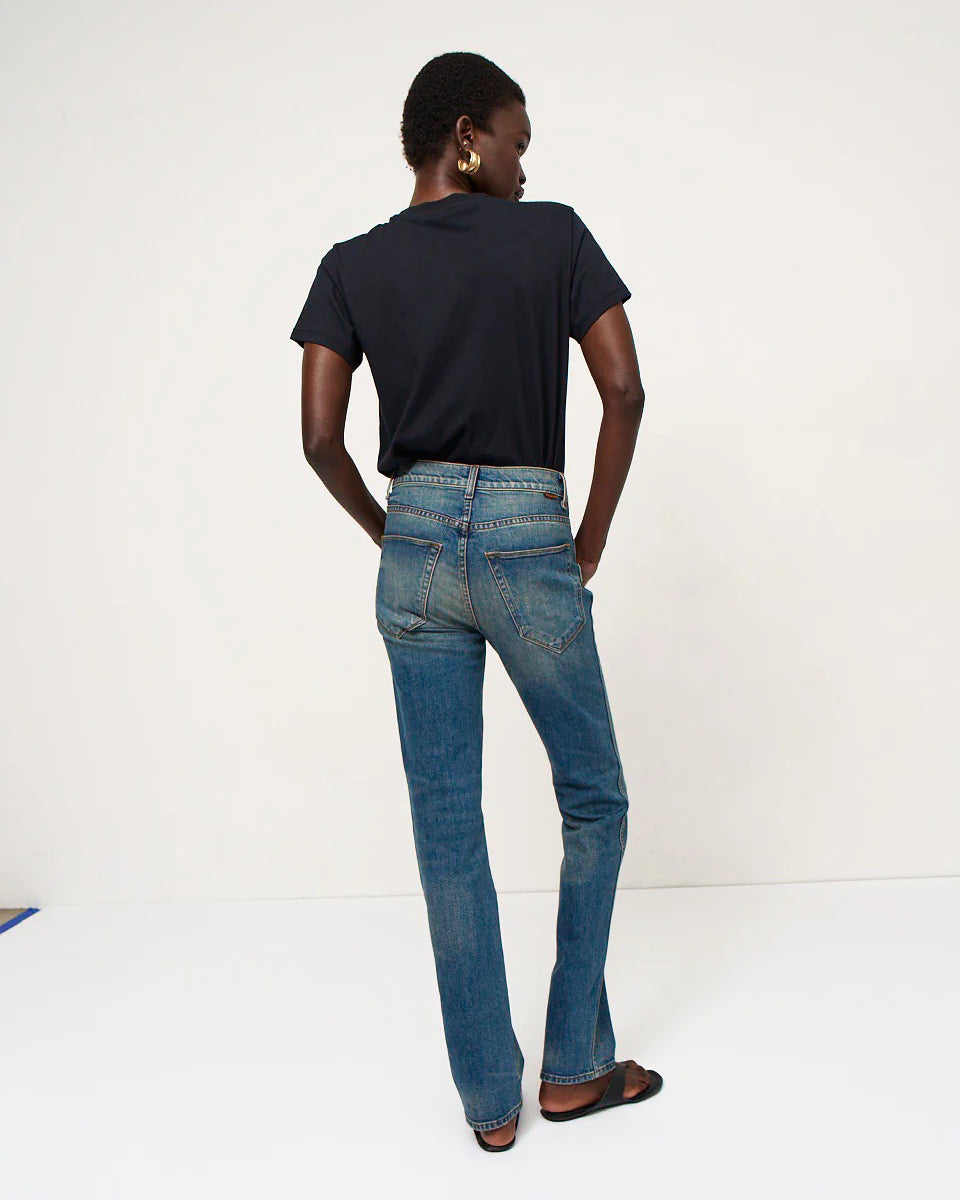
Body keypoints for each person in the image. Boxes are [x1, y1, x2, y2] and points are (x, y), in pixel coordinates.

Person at [290, 51, 662, 1151]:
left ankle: (491, 1105)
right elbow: (625, 387)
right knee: (594, 800)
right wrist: (587, 540)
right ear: (467, 136)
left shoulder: (350, 265)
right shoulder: (553, 238)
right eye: (516, 141)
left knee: (447, 825)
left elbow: (318, 438)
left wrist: (391, 529)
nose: (523, 166)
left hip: (413, 544)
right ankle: (576, 1067)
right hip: (525, 530)